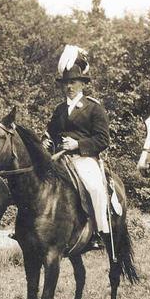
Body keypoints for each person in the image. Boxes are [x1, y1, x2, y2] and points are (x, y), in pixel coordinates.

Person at [42, 45, 111, 248]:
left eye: (73, 82)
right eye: (65, 83)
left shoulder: (94, 108)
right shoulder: (59, 109)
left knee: (95, 187)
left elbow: (102, 140)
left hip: (84, 159)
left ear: (82, 84)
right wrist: (46, 141)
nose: (69, 87)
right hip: (59, 159)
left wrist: (78, 145)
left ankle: (99, 232)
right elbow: (51, 134)